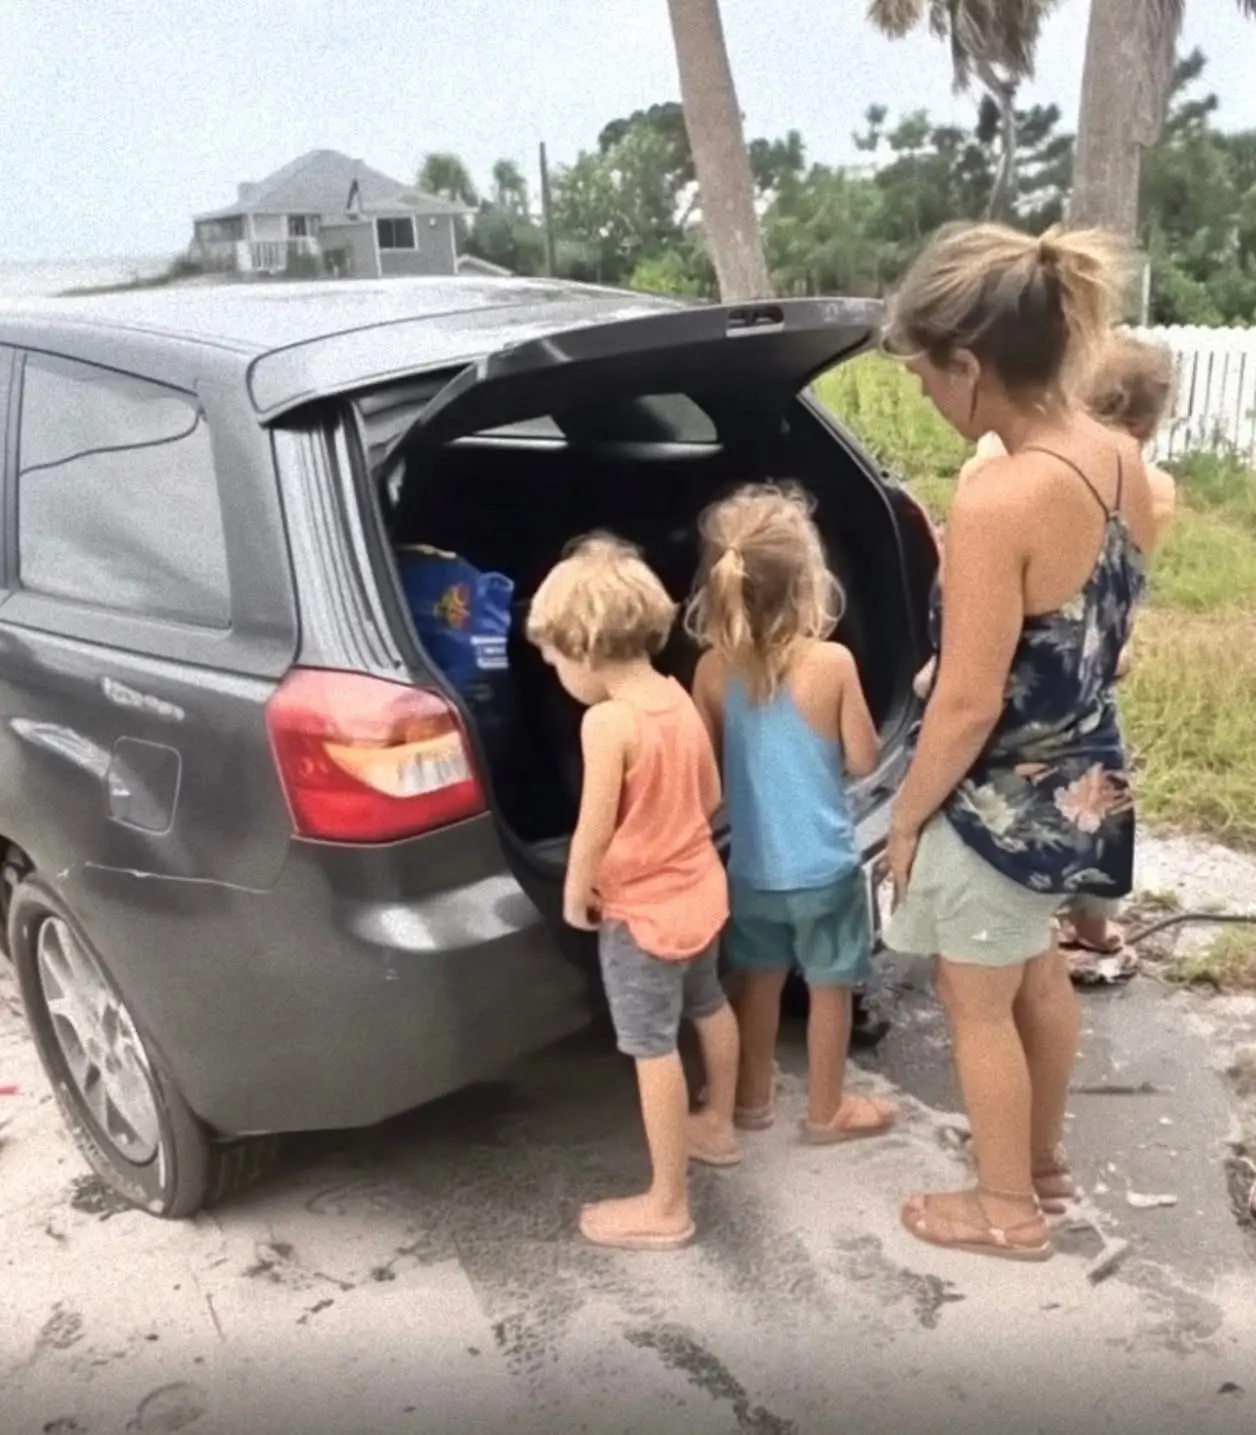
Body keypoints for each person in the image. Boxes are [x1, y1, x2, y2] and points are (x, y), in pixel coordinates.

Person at [881, 221, 1157, 1261]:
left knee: (974, 999)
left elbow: (964, 704)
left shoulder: (998, 492)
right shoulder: (1116, 457)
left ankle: (1002, 1212)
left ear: (967, 362)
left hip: (1001, 796)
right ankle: (1038, 1166)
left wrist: (904, 819)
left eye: (922, 374)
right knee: (1036, 972)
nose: (920, 395)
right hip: (1086, 775)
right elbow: (1086, 626)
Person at [526, 533, 741, 1251]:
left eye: (553, 658)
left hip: (643, 915)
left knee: (652, 1047)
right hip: (701, 891)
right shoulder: (676, 698)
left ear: (584, 651)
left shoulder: (605, 721)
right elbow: (710, 795)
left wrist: (574, 891)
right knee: (709, 1002)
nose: (554, 671)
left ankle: (667, 1202)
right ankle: (720, 1123)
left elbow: (590, 830)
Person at [943, 332, 1179, 970]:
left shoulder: (1006, 480)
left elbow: (974, 683)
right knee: (1093, 797)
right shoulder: (1141, 478)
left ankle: (1056, 927)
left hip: (1016, 721)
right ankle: (1091, 925)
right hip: (1093, 684)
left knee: (983, 994)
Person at [687, 484, 900, 1144]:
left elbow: (707, 783)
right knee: (831, 987)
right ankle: (825, 1109)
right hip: (827, 870)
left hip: (752, 870)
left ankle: (750, 1099)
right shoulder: (833, 663)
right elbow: (865, 761)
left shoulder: (710, 671)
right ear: (810, 581)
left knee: (759, 983)